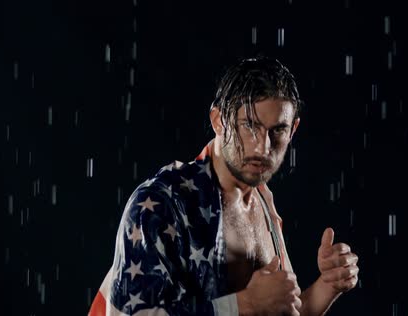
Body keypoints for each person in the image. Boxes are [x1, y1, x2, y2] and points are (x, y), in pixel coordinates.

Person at [88, 57, 360, 315]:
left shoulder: (262, 198)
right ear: (218, 120)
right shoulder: (164, 201)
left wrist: (328, 285)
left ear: (293, 130)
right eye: (249, 125)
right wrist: (244, 305)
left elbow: (279, 310)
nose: (262, 147)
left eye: (277, 130)